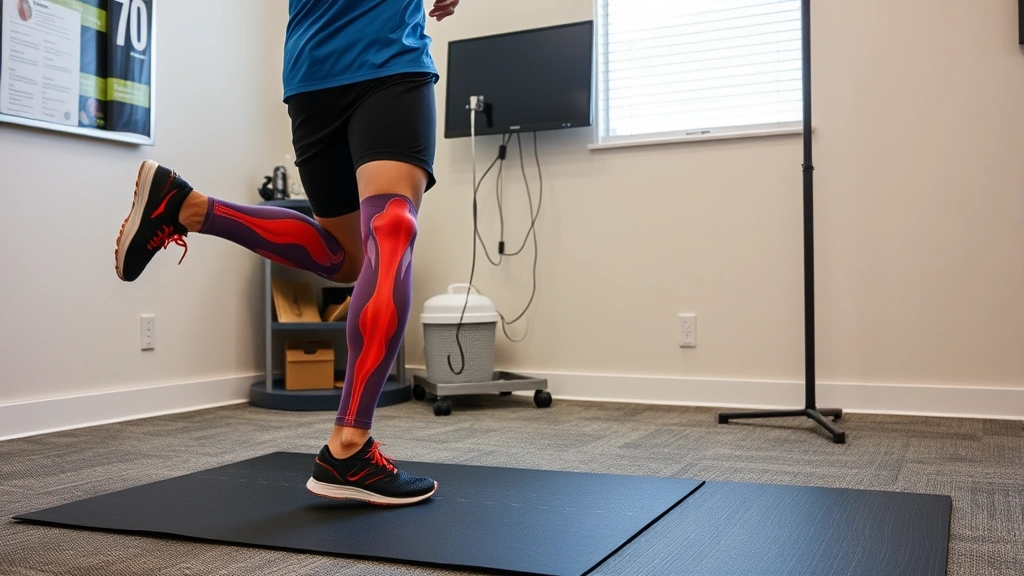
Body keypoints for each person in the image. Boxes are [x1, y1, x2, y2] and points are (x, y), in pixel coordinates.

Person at [113, 0, 460, 506]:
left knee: (363, 250)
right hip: (369, 65)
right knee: (375, 242)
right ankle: (350, 450)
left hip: (318, 73)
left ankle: (187, 208)